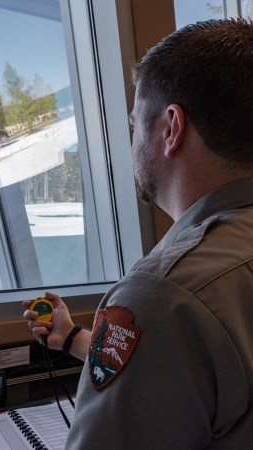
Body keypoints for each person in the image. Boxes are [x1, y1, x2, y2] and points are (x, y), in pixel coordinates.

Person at [23, 18, 253, 449]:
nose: (131, 142)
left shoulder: (167, 294)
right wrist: (73, 338)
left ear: (170, 128)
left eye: (134, 126)